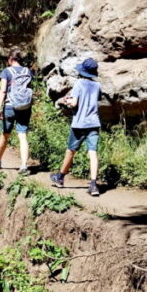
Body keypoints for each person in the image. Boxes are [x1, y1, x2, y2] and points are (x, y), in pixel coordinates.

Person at [50, 57, 102, 197]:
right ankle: (93, 184)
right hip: (94, 123)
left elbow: (74, 103)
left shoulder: (79, 83)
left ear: (82, 71)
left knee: (71, 151)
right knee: (92, 153)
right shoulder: (97, 86)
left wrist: (65, 101)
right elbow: (95, 100)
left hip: (79, 123)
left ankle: (60, 178)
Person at [0, 50, 34, 175]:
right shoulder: (27, 71)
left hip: (9, 107)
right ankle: (24, 166)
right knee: (22, 135)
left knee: (5, 134)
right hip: (25, 107)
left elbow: (3, 91)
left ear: (10, 59)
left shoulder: (6, 71)